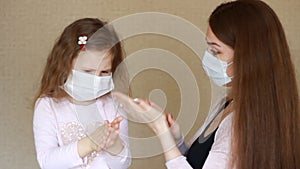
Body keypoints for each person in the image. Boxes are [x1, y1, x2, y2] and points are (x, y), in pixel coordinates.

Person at [113, 0, 299, 169]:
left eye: (215, 51)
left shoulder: (245, 123)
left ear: (247, 57)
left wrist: (161, 132)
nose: (207, 57)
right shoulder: (226, 103)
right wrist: (175, 138)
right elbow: (199, 163)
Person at [33, 18, 131, 169]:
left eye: (104, 72)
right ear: (65, 65)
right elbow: (47, 162)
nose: (96, 79)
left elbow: (123, 164)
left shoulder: (114, 106)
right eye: (88, 71)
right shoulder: (48, 106)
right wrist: (90, 143)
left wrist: (114, 145)